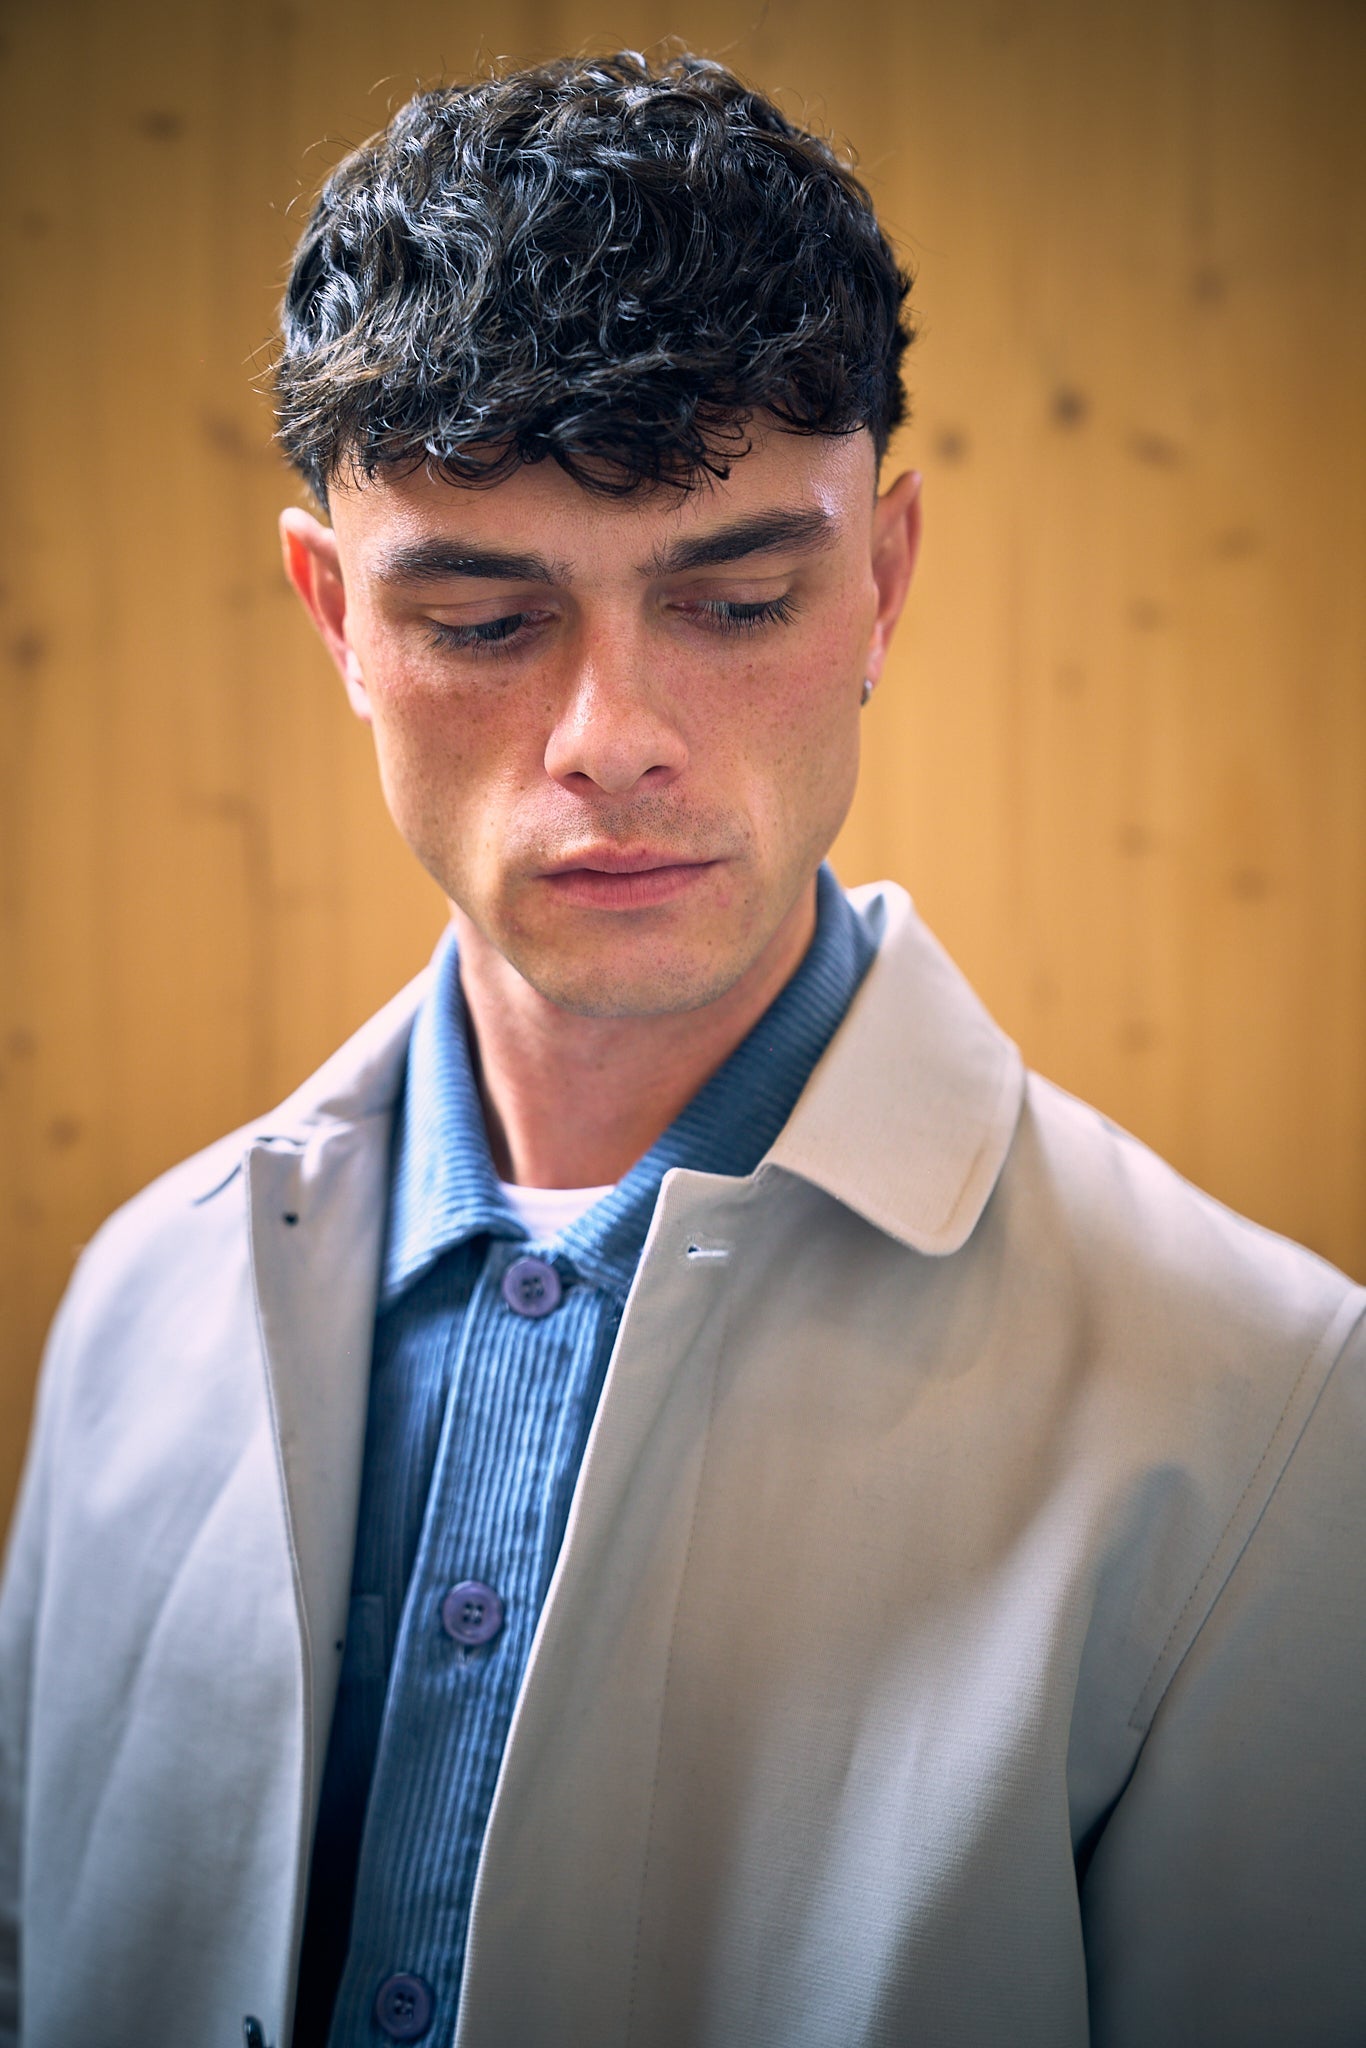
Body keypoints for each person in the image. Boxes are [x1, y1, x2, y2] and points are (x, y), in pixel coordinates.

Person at [1, 48, 1363, 2048]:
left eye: (734, 600)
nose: (609, 739)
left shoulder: (1264, 1406)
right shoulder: (129, 1310)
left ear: (877, 583)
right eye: (482, 622)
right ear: (335, 620)